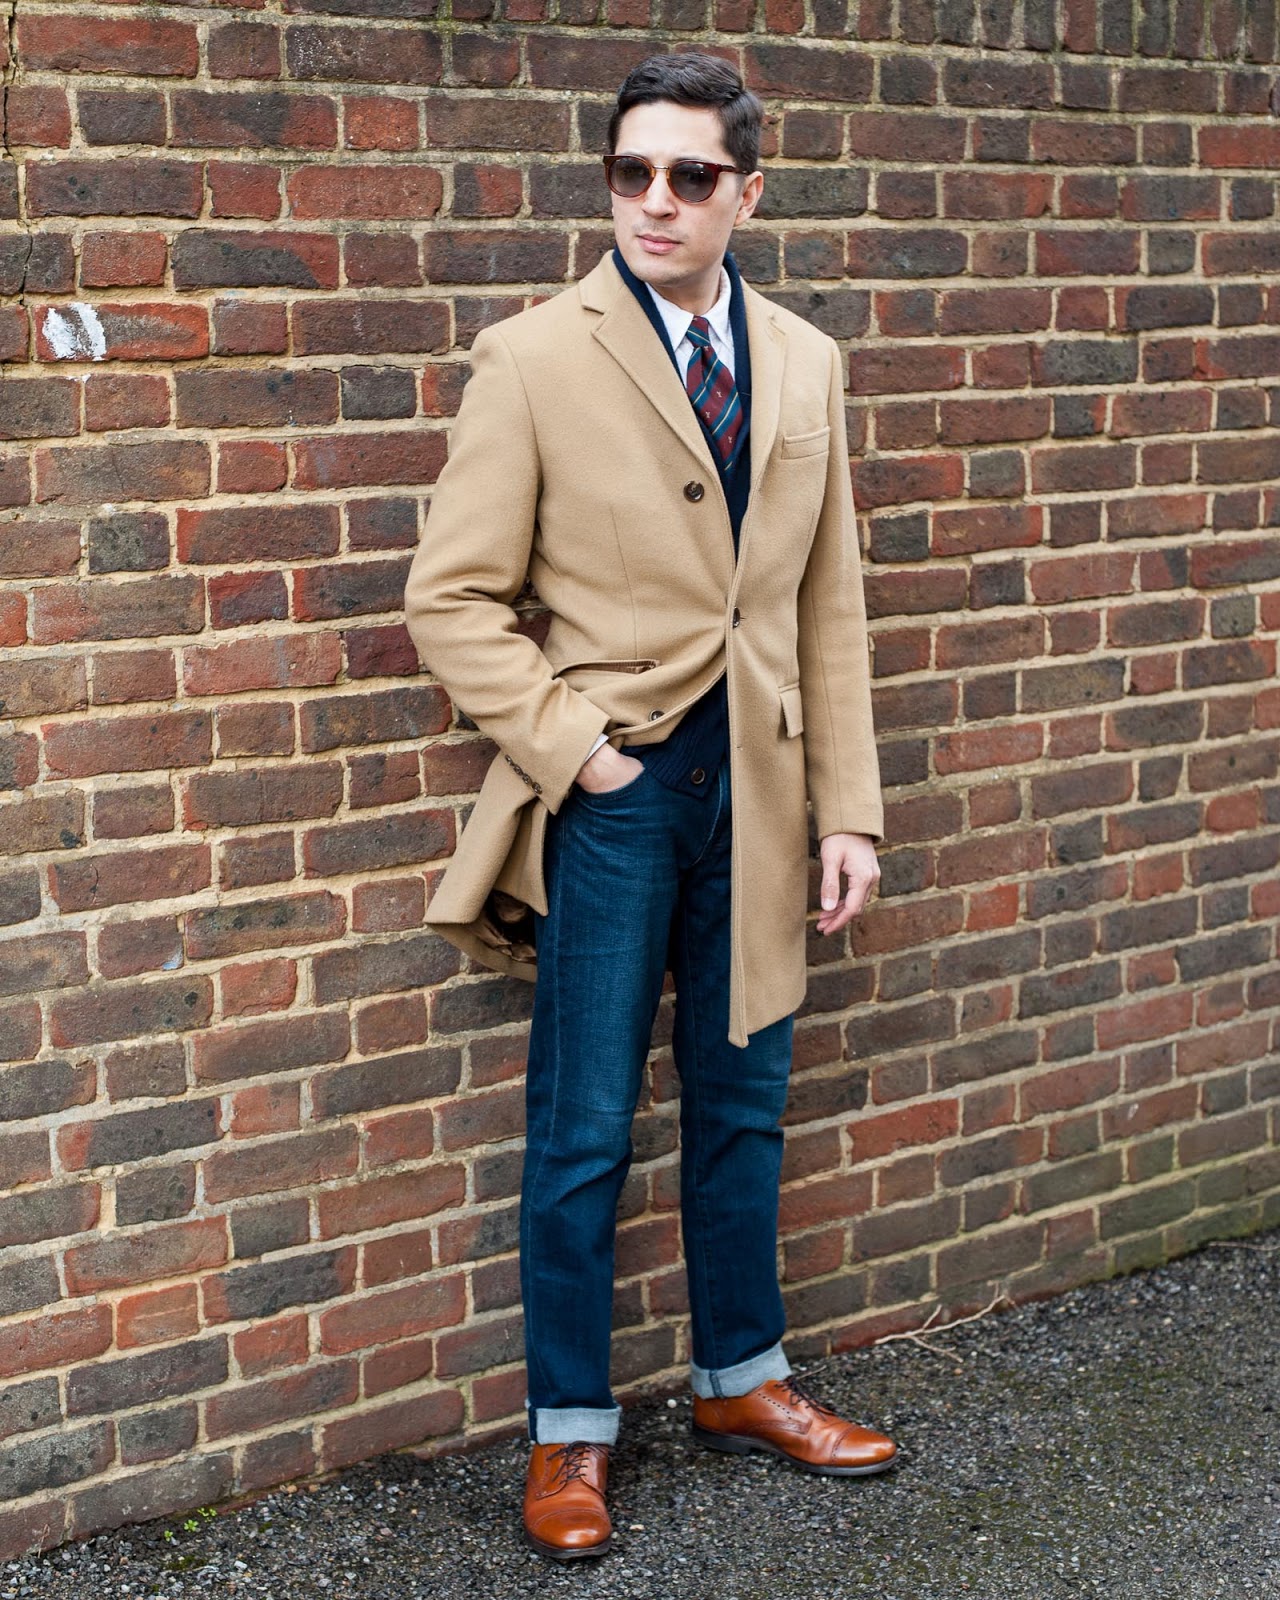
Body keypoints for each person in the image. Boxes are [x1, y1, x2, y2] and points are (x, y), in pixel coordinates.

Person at [403, 51, 895, 1563]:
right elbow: (451, 599)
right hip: (617, 796)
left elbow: (826, 601)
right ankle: (570, 1431)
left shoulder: (803, 361)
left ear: (749, 190)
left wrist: (848, 808)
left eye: (690, 175)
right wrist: (586, 757)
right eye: (632, 172)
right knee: (583, 1128)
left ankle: (743, 1380)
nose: (657, 201)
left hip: (763, 789)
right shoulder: (533, 359)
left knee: (743, 1106)